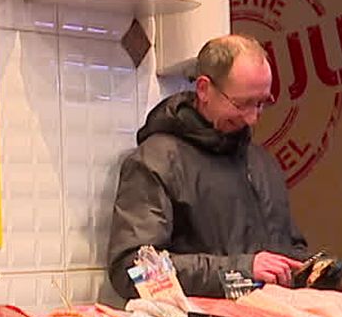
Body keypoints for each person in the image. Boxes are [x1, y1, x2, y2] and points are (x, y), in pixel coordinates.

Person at [105, 34, 316, 301]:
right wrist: (241, 271)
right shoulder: (154, 163)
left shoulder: (262, 163)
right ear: (204, 89)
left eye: (261, 103)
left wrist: (309, 268)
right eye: (242, 104)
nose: (252, 118)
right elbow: (133, 272)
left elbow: (281, 253)